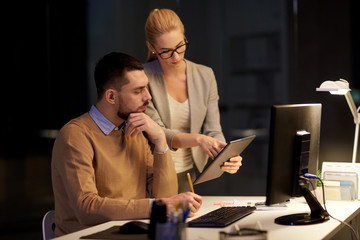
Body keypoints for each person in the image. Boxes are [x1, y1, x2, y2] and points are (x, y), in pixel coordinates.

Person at [51, 52, 202, 236]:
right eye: (138, 91)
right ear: (111, 97)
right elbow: (87, 208)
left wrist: (160, 140)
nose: (148, 97)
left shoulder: (135, 131)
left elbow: (165, 198)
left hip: (130, 235)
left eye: (146, 88)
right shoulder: (75, 135)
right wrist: (158, 206)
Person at [144, 8, 243, 193]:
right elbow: (157, 132)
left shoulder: (205, 75)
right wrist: (199, 139)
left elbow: (213, 130)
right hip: (154, 175)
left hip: (190, 174)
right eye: (165, 51)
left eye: (180, 46)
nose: (176, 56)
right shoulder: (143, 77)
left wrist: (225, 155)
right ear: (151, 48)